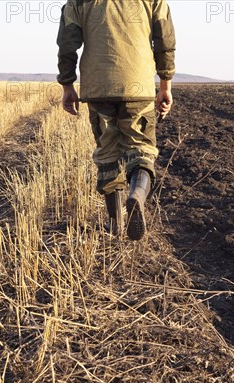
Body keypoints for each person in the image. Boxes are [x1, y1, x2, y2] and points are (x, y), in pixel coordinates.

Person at [56, 0, 176, 241]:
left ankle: (116, 226)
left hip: (98, 87)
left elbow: (68, 43)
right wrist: (165, 85)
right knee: (142, 151)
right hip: (139, 85)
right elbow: (165, 40)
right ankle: (137, 197)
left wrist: (67, 84)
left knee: (108, 155)